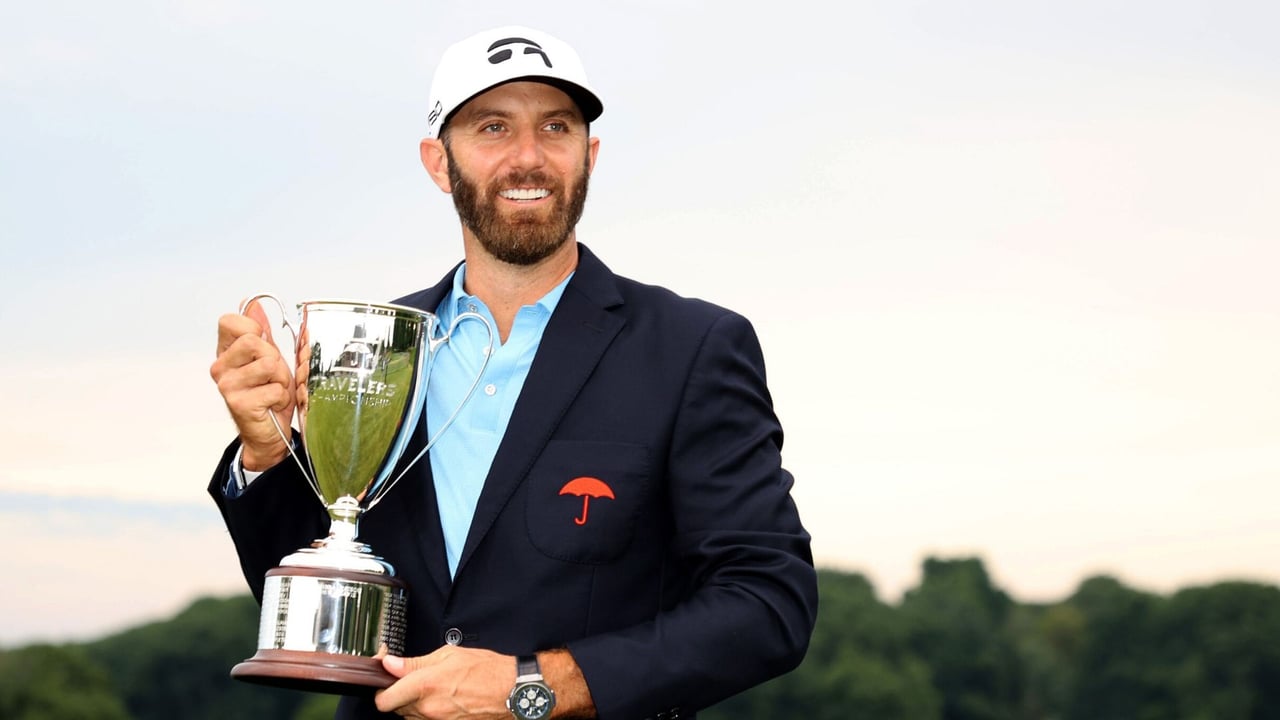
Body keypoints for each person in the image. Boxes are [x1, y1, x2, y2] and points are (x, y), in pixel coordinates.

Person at [208, 25, 817, 720]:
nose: (528, 157)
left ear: (588, 156)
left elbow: (768, 605)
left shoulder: (691, 348)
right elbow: (330, 610)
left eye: (555, 128)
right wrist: (266, 453)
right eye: (492, 127)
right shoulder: (377, 347)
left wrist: (536, 686)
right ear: (439, 162)